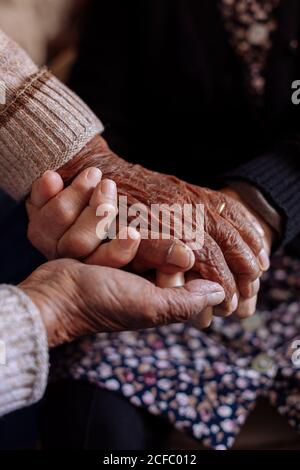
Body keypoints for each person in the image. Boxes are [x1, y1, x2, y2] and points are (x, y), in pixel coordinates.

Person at [35, 0, 300, 450]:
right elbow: (100, 127)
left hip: (272, 256)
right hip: (169, 259)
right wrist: (130, 219)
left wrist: (257, 206)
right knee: (88, 410)